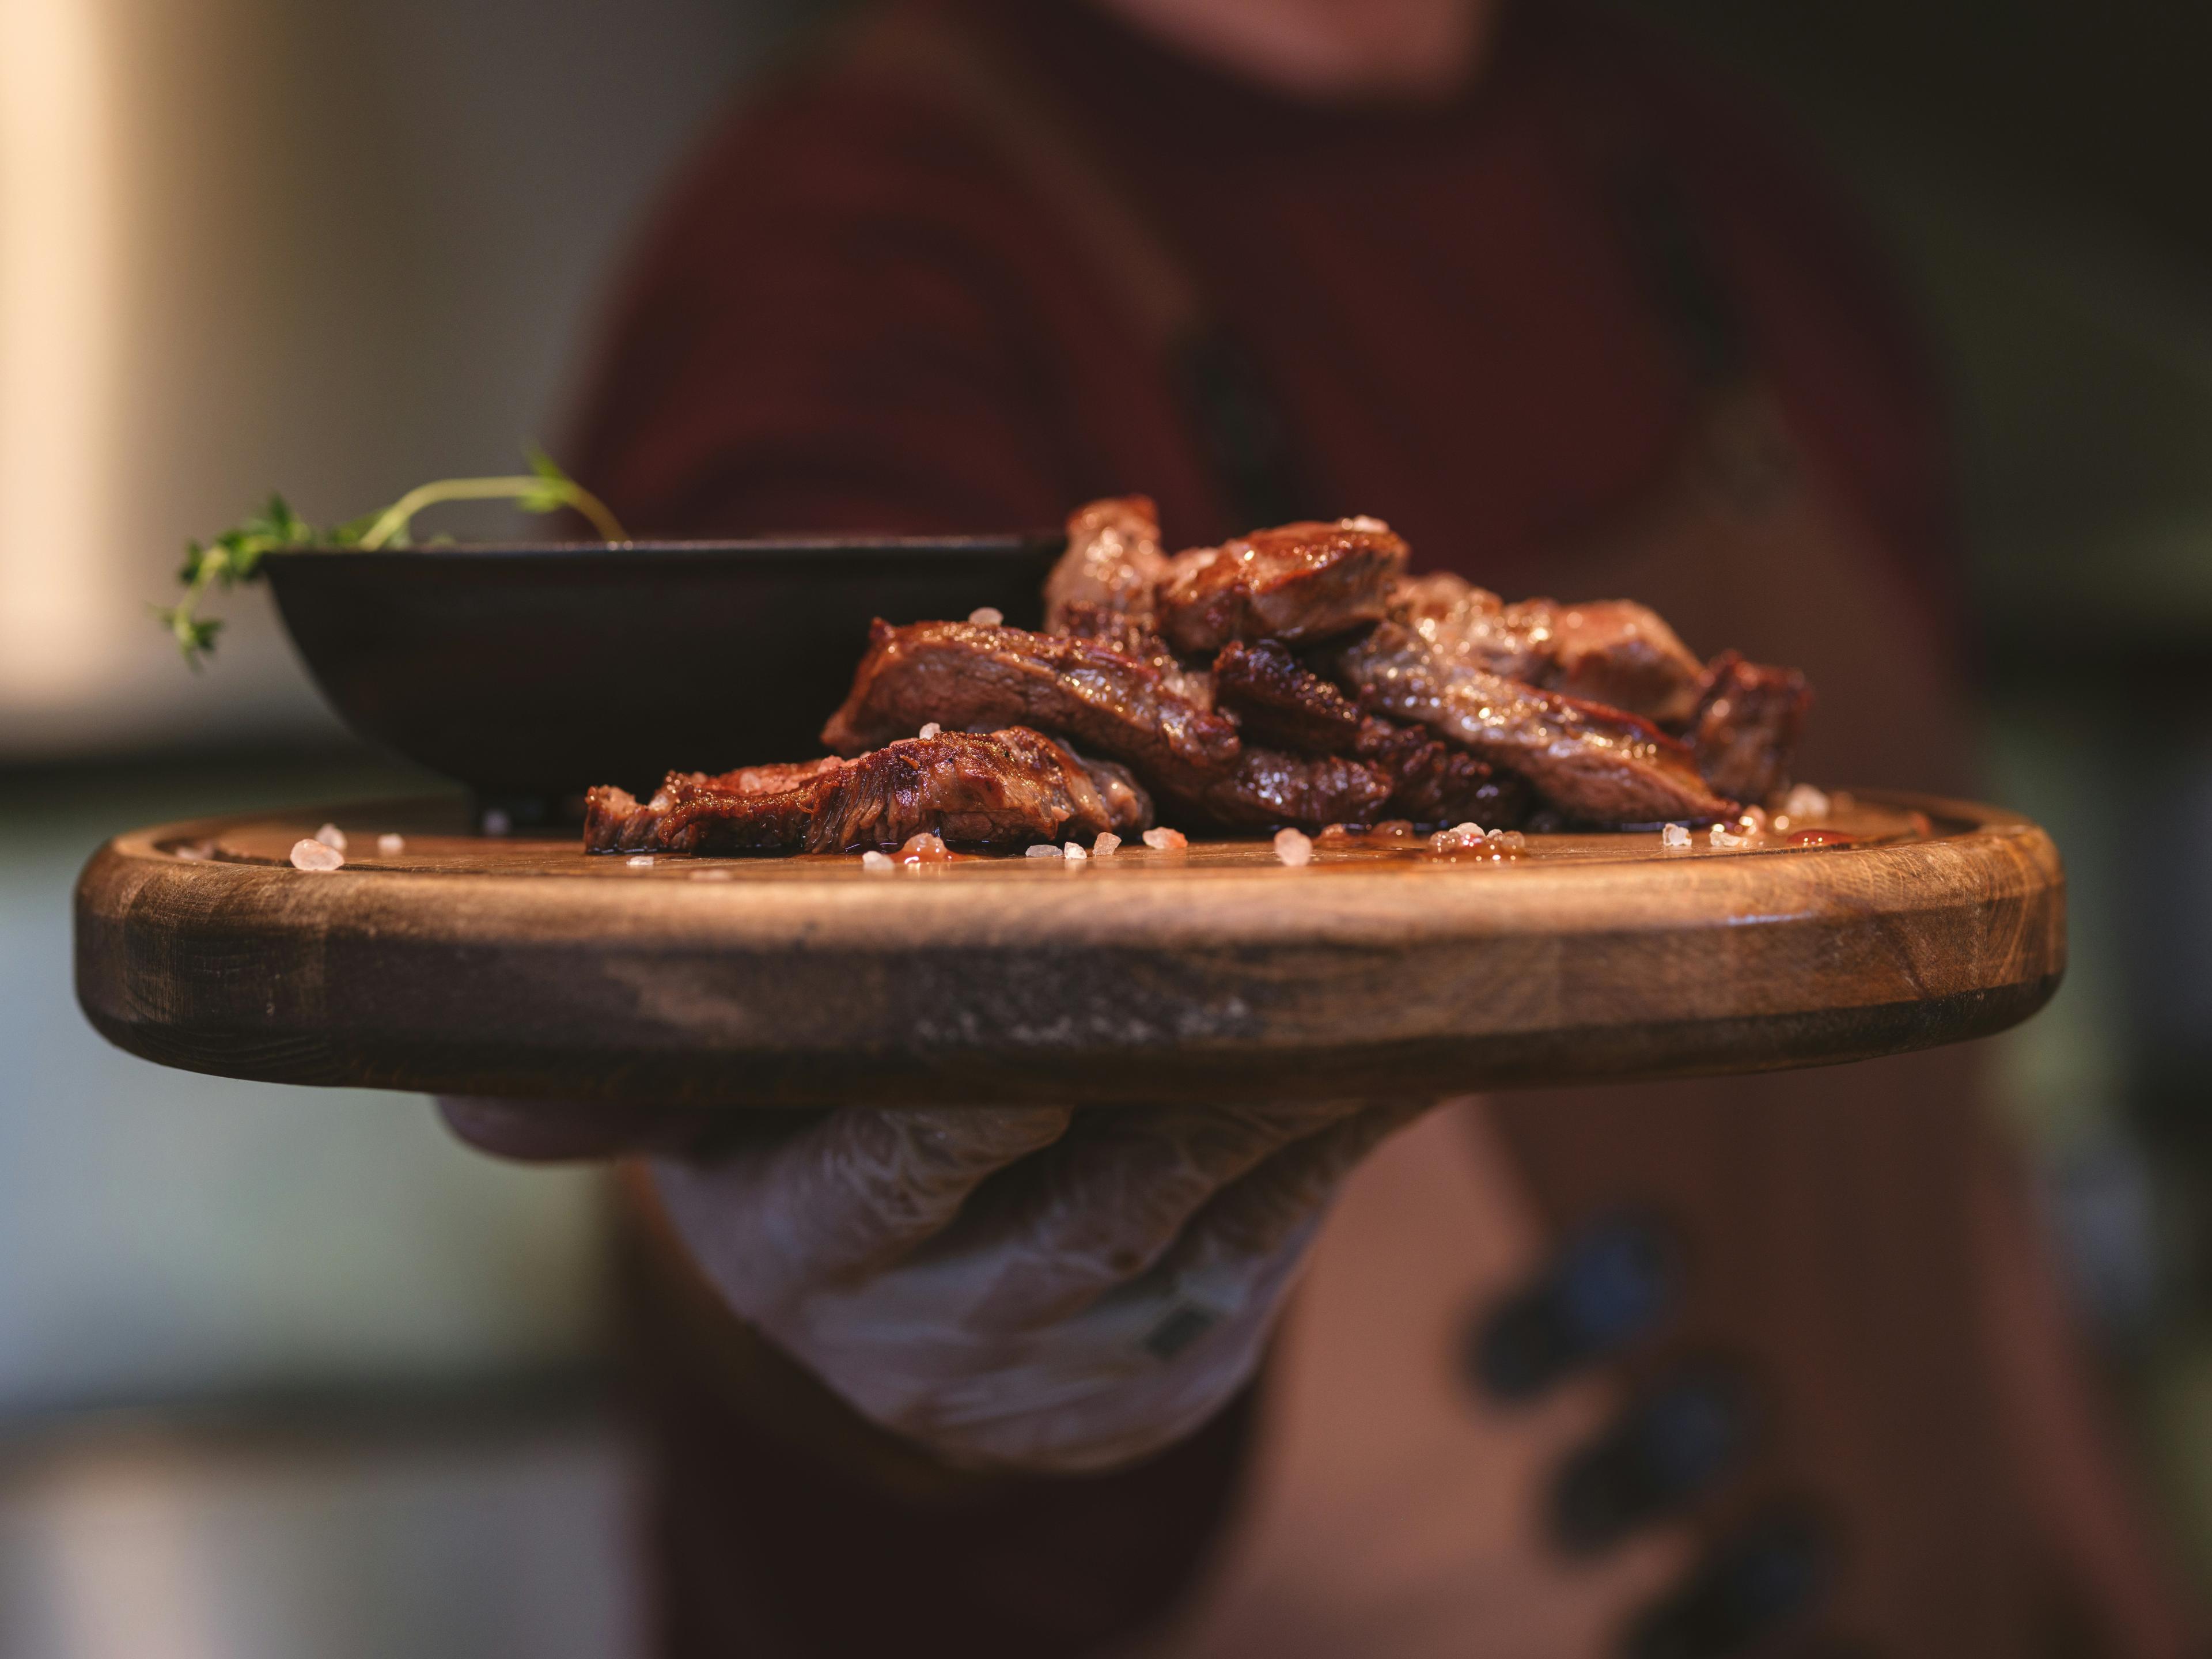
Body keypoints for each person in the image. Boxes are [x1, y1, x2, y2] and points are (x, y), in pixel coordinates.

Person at [443, 0, 2200, 1652]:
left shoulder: (1740, 209)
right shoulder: (850, 261)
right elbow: (750, 1153)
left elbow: (1960, 1162)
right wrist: (918, 1340)